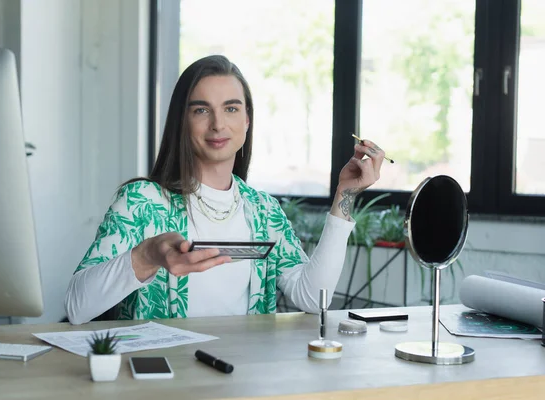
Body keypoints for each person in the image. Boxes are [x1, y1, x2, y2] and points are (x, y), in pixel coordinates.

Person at [65, 55, 385, 325]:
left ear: (247, 120)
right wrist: (148, 255)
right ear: (182, 121)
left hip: (241, 379)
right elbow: (77, 308)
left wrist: (346, 194)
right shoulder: (141, 202)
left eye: (231, 108)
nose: (218, 124)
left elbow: (314, 298)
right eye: (201, 110)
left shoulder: (263, 211)